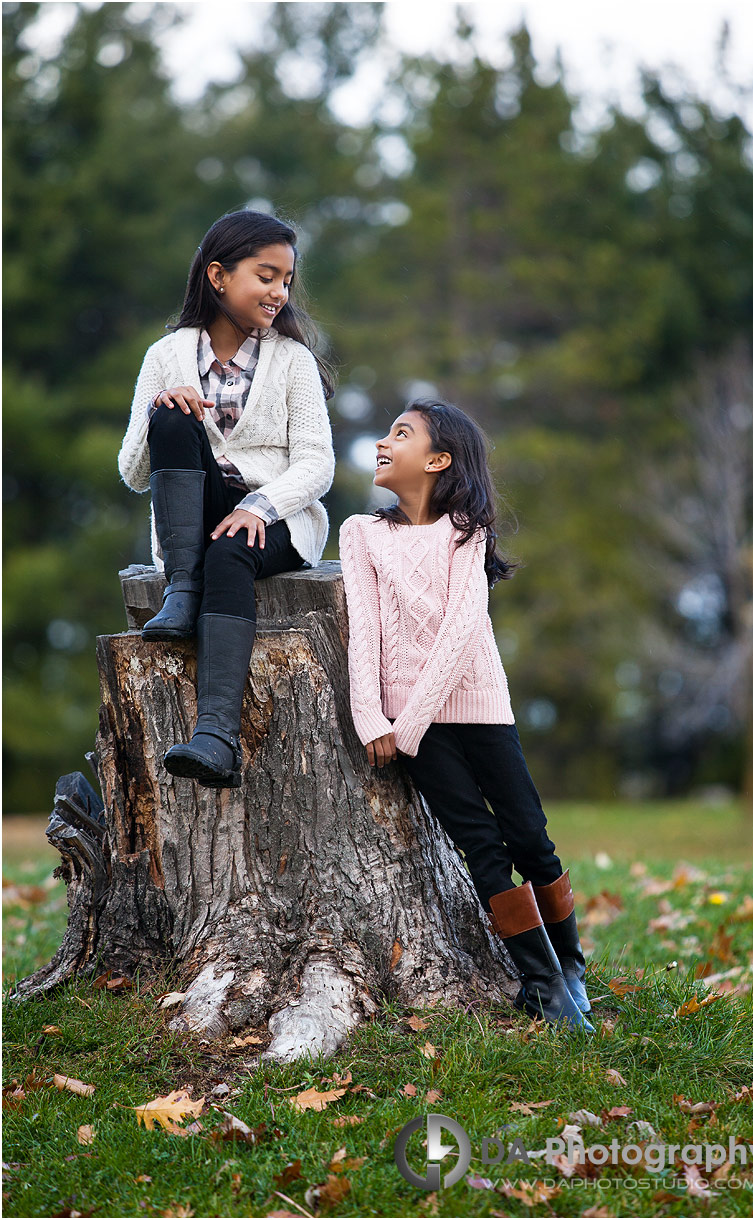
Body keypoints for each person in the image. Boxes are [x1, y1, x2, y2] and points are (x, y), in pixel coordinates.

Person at [338, 399, 593, 1032]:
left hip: (474, 708)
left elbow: (460, 631)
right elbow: (362, 632)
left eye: (401, 434)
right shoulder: (360, 533)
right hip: (401, 724)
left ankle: (571, 969)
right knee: (480, 847)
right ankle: (543, 990)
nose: (381, 443)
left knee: (530, 837)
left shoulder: (465, 531)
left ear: (437, 459)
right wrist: (371, 717)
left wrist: (412, 724)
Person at [118, 210, 335, 789]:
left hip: (277, 518)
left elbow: (318, 464)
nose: (279, 291)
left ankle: (216, 738)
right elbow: (134, 471)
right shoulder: (164, 356)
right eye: (266, 276)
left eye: (286, 280)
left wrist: (259, 507)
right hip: (191, 519)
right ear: (218, 275)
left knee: (232, 548)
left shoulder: (293, 361)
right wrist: (164, 406)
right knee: (170, 416)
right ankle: (181, 590)